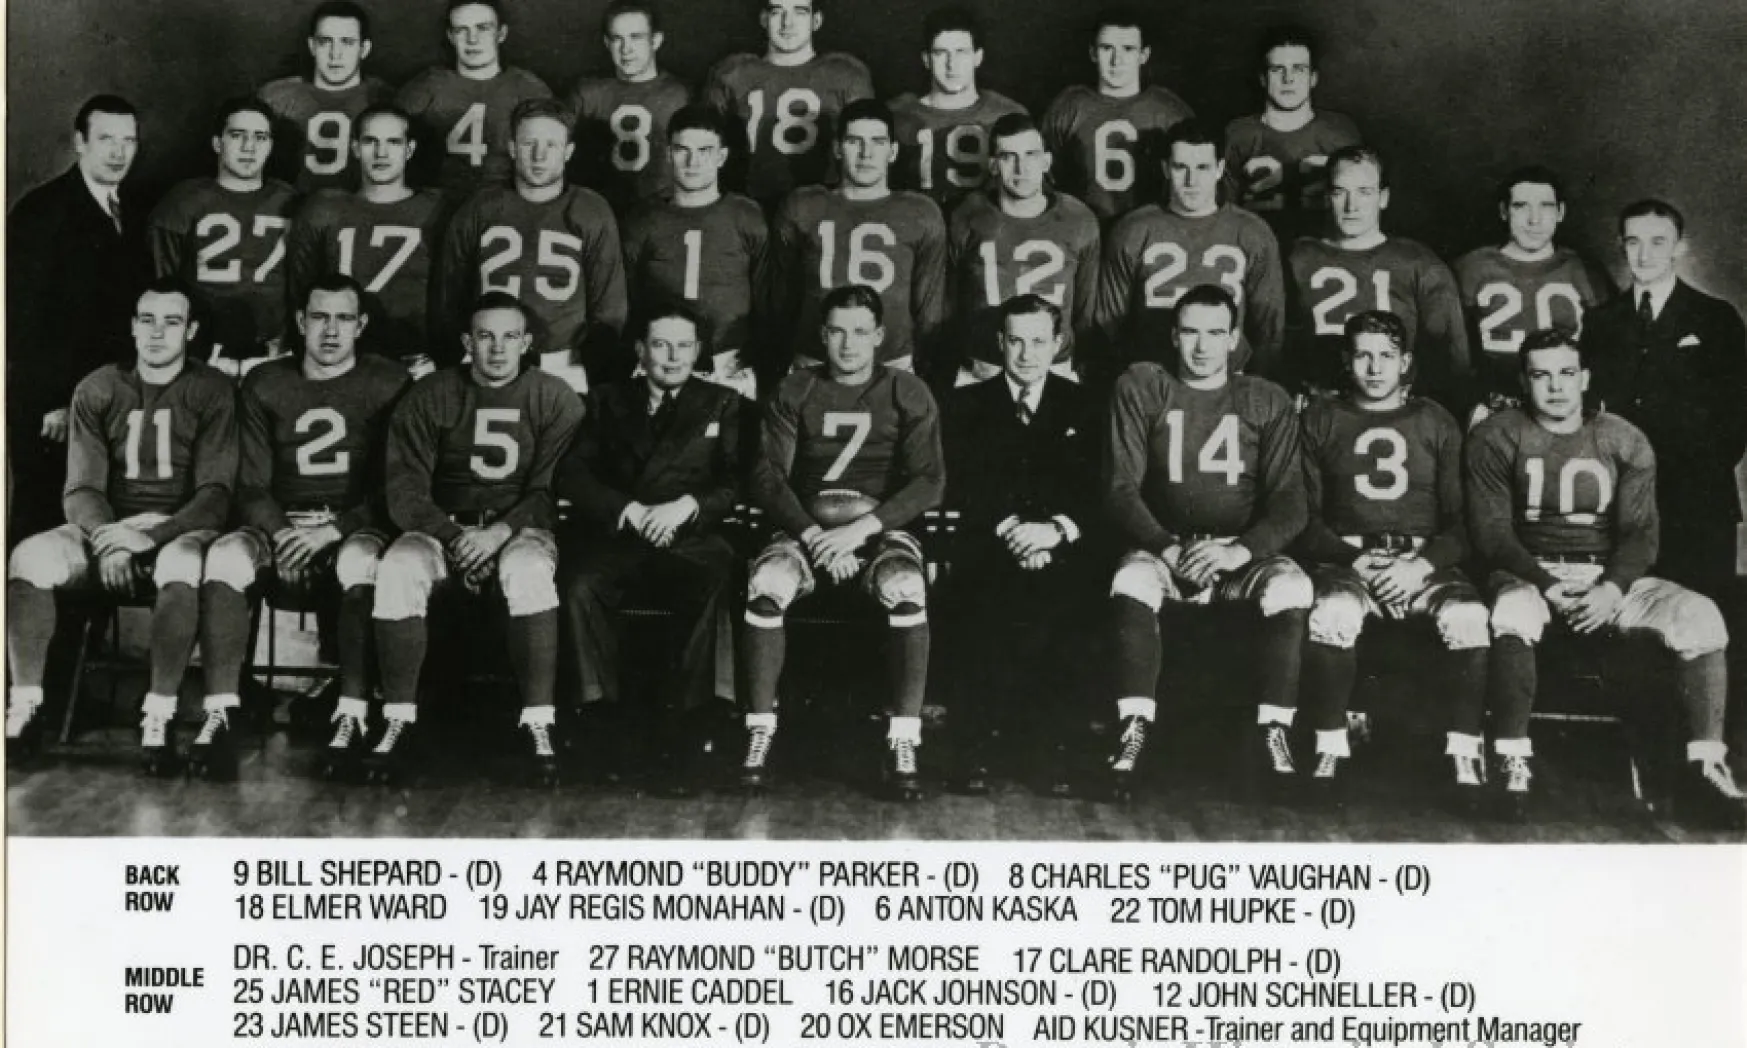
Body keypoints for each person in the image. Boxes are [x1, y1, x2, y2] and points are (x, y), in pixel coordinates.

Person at [1466, 328, 1743, 829]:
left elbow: (1641, 534)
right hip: (1529, 572)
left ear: (1585, 378)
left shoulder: (1623, 437)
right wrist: (1547, 584)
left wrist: (1611, 589)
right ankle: (1512, 759)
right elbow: (1492, 535)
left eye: (1566, 373)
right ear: (1523, 382)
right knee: (1512, 610)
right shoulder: (1497, 435)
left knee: (1701, 614)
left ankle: (1705, 766)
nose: (1556, 386)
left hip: (1606, 575)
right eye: (1541, 375)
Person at [5, 282, 237, 771]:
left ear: (191, 331)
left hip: (178, 527)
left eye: (171, 322)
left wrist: (149, 537)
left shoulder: (212, 389)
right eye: (147, 320)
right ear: (132, 326)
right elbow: (81, 488)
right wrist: (110, 541)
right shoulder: (98, 387)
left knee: (181, 565)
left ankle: (159, 712)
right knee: (28, 557)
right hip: (110, 527)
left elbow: (215, 496)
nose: (157, 332)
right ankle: (24, 707)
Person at [195, 274, 409, 780]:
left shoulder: (390, 382)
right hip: (282, 524)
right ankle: (221, 708)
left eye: (343, 318)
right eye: (319, 317)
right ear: (299, 321)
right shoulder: (265, 381)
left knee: (362, 563)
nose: (330, 331)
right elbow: (250, 484)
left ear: (361, 324)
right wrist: (282, 533)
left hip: (349, 527)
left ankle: (352, 711)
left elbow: (399, 484)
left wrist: (334, 529)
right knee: (224, 557)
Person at [1102, 283, 1311, 799]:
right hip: (1166, 546)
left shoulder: (1265, 398)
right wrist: (1168, 546)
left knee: (1292, 587)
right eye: (1190, 332)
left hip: (1239, 551)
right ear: (1173, 336)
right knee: (1130, 579)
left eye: (1215, 333)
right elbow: (1120, 488)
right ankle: (1133, 730)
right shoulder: (1144, 386)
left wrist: (1238, 551)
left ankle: (1275, 731)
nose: (1202, 346)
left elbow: (1291, 502)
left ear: (1234, 339)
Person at [740, 284, 946, 800]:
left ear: (879, 336)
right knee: (767, 582)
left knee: (906, 587)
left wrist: (860, 531)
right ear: (822, 335)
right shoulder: (796, 388)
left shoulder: (907, 390)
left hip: (878, 529)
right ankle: (759, 731)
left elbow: (929, 481)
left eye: (859, 332)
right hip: (804, 528)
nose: (848, 344)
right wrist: (813, 535)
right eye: (837, 331)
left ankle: (904, 737)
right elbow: (767, 477)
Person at [369, 292, 584, 785]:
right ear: (467, 342)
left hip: (519, 527)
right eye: (486, 336)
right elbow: (404, 489)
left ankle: (538, 721)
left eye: (510, 337)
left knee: (529, 569)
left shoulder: (555, 396)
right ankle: (398, 718)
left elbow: (552, 488)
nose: (498, 348)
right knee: (398, 567)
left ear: (527, 343)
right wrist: (453, 536)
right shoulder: (430, 393)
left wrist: (498, 533)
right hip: (442, 525)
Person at [554, 305, 744, 796]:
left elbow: (736, 480)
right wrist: (631, 511)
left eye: (683, 346)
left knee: (719, 580)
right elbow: (574, 474)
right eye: (660, 345)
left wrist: (687, 507)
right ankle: (599, 721)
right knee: (580, 585)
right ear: (640, 350)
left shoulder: (723, 402)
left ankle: (697, 728)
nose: (672, 356)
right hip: (624, 536)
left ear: (698, 351)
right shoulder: (606, 400)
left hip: (692, 537)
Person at [1296, 311, 1488, 795]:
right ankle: (1329, 745)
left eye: (1386, 356)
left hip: (1420, 562)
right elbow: (1303, 517)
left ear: (1405, 362)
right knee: (1333, 611)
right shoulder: (1320, 418)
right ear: (1347, 361)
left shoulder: (1435, 420)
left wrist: (1419, 567)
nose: (1374, 367)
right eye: (1363, 355)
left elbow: (1464, 523)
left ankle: (1466, 753)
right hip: (1348, 559)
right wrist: (1356, 561)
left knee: (1469, 617)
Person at [942, 295, 1101, 795]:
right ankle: (975, 746)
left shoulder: (1087, 404)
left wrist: (1055, 531)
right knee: (981, 600)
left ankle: (1050, 749)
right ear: (1000, 343)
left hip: (1061, 545)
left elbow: (1099, 486)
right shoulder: (965, 404)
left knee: (1071, 603)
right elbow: (962, 483)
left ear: (1057, 344)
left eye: (1038, 342)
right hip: (993, 541)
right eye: (1016, 341)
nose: (1027, 354)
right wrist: (1012, 529)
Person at [1583, 200, 1747, 606]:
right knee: (1628, 617)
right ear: (1621, 245)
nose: (1644, 254)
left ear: (1679, 246)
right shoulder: (1601, 322)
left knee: (1703, 616)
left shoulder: (1715, 317)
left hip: (1698, 502)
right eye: (1633, 242)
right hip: (1623, 503)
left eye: (1658, 242)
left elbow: (1737, 412)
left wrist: (1697, 471)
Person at [7, 94, 149, 545]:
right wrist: (55, 401)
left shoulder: (131, 210)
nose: (118, 152)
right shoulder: (41, 212)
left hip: (112, 398)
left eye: (128, 141)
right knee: (44, 528)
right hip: (55, 407)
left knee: (98, 527)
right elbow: (21, 319)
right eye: (106, 139)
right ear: (80, 143)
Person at [440, 98, 628, 392]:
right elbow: (450, 295)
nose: (539, 156)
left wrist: (596, 370)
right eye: (529, 144)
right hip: (488, 359)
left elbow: (608, 305)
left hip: (563, 362)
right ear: (513, 148)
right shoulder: (481, 208)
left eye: (551, 145)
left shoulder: (590, 209)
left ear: (568, 152)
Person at [770, 99, 947, 378]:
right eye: (855, 141)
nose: (866, 153)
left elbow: (928, 309)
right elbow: (783, 299)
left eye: (878, 142)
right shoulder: (803, 206)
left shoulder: (920, 213)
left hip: (893, 366)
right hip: (814, 364)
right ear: (837, 148)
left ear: (893, 151)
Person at [1285, 146, 1468, 411]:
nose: (1352, 206)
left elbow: (1450, 356)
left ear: (1383, 198)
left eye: (1364, 192)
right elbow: (1274, 343)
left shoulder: (1417, 263)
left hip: (1396, 410)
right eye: (1340, 192)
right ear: (1326, 197)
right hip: (1319, 408)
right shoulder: (1298, 258)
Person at [1096, 117, 1283, 376]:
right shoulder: (1133, 229)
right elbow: (1109, 323)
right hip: (1151, 378)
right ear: (1165, 168)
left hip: (1226, 381)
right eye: (1180, 167)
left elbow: (1269, 330)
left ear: (1220, 169)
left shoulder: (1252, 232)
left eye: (1203, 167)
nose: (1191, 180)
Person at [620, 106, 769, 397]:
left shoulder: (746, 216)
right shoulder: (643, 219)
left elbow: (766, 295)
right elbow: (627, 298)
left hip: (728, 364)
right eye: (682, 150)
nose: (692, 162)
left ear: (721, 157)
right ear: (668, 154)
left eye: (704, 151)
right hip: (660, 362)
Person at [286, 104, 447, 370]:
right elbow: (301, 289)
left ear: (409, 150)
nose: (381, 153)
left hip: (415, 359)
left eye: (393, 142)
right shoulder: (324, 209)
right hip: (342, 361)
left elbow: (453, 291)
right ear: (355, 148)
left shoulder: (437, 209)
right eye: (371, 141)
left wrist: (441, 357)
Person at [946, 113, 1101, 385]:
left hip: (1054, 369)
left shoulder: (1078, 219)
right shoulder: (967, 216)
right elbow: (950, 305)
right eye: (1009, 157)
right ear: (993, 165)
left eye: (1031, 155)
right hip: (984, 370)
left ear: (1046, 161)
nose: (1022, 168)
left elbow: (1084, 313)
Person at [148, 98, 298, 369]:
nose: (249, 147)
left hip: (274, 354)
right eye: (238, 135)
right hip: (203, 355)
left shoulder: (291, 202)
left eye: (260, 137)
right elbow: (161, 286)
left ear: (270, 145)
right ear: (218, 143)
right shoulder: (182, 203)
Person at [1455, 167, 1611, 421]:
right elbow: (1450, 352)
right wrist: (1471, 404)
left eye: (1545, 207)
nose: (1534, 220)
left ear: (1561, 212)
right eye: (1521, 206)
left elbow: (1607, 350)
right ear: (1504, 211)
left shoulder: (1585, 270)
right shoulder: (1470, 268)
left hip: (1564, 408)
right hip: (1493, 408)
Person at [702, 0, 874, 207]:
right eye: (777, 12)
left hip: (825, 209)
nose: (787, 23)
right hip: (750, 206)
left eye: (799, 12)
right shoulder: (733, 73)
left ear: (816, 21)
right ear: (764, 19)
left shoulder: (845, 75)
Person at [1040, 5, 1193, 225]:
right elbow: (1042, 177)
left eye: (1128, 49)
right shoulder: (1068, 107)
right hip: (1084, 231)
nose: (1116, 60)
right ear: (1093, 53)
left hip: (1154, 233)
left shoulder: (1169, 111)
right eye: (1107, 48)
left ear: (1144, 55)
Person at [396, 0, 551, 199]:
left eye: (483, 28)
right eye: (462, 30)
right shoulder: (427, 85)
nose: (472, 39)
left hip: (508, 201)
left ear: (501, 34)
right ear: (450, 36)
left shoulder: (529, 89)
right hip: (435, 200)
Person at [1222, 24, 1361, 245]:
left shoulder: (1339, 133)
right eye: (1278, 69)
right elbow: (1222, 216)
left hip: (1326, 254)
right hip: (1254, 252)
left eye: (1299, 69)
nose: (1288, 79)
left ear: (1313, 78)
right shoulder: (1238, 134)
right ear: (1263, 78)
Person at [888, 6, 1026, 213]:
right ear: (926, 59)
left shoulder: (1007, 114)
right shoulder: (897, 114)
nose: (951, 64)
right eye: (941, 53)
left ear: (978, 57)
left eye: (961, 52)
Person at [564, 0, 692, 216]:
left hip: (663, 215)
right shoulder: (587, 93)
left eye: (636, 37)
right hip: (599, 212)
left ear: (656, 40)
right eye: (617, 39)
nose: (626, 49)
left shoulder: (680, 95)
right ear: (606, 43)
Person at [257, 0, 394, 193]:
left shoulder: (384, 99)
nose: (335, 54)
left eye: (347, 42)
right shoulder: (276, 98)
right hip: (290, 205)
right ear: (312, 46)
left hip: (359, 208)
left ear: (364, 49)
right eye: (325, 42)